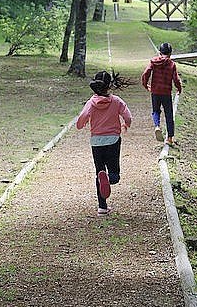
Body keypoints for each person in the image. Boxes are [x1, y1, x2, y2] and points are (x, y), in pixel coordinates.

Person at [76, 70, 132, 216]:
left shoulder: (91, 103)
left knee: (99, 172)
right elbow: (127, 115)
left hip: (96, 141)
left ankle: (102, 206)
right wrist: (126, 124)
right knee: (114, 174)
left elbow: (82, 117)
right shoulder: (116, 101)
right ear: (109, 85)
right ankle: (109, 178)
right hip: (113, 140)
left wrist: (81, 125)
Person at [141, 42, 182, 146]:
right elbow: (176, 78)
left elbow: (146, 73)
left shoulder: (154, 62)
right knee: (169, 114)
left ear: (159, 52)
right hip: (166, 92)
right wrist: (179, 88)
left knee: (155, 110)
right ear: (170, 54)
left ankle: (157, 126)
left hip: (155, 91)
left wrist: (145, 84)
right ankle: (170, 138)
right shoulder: (172, 64)